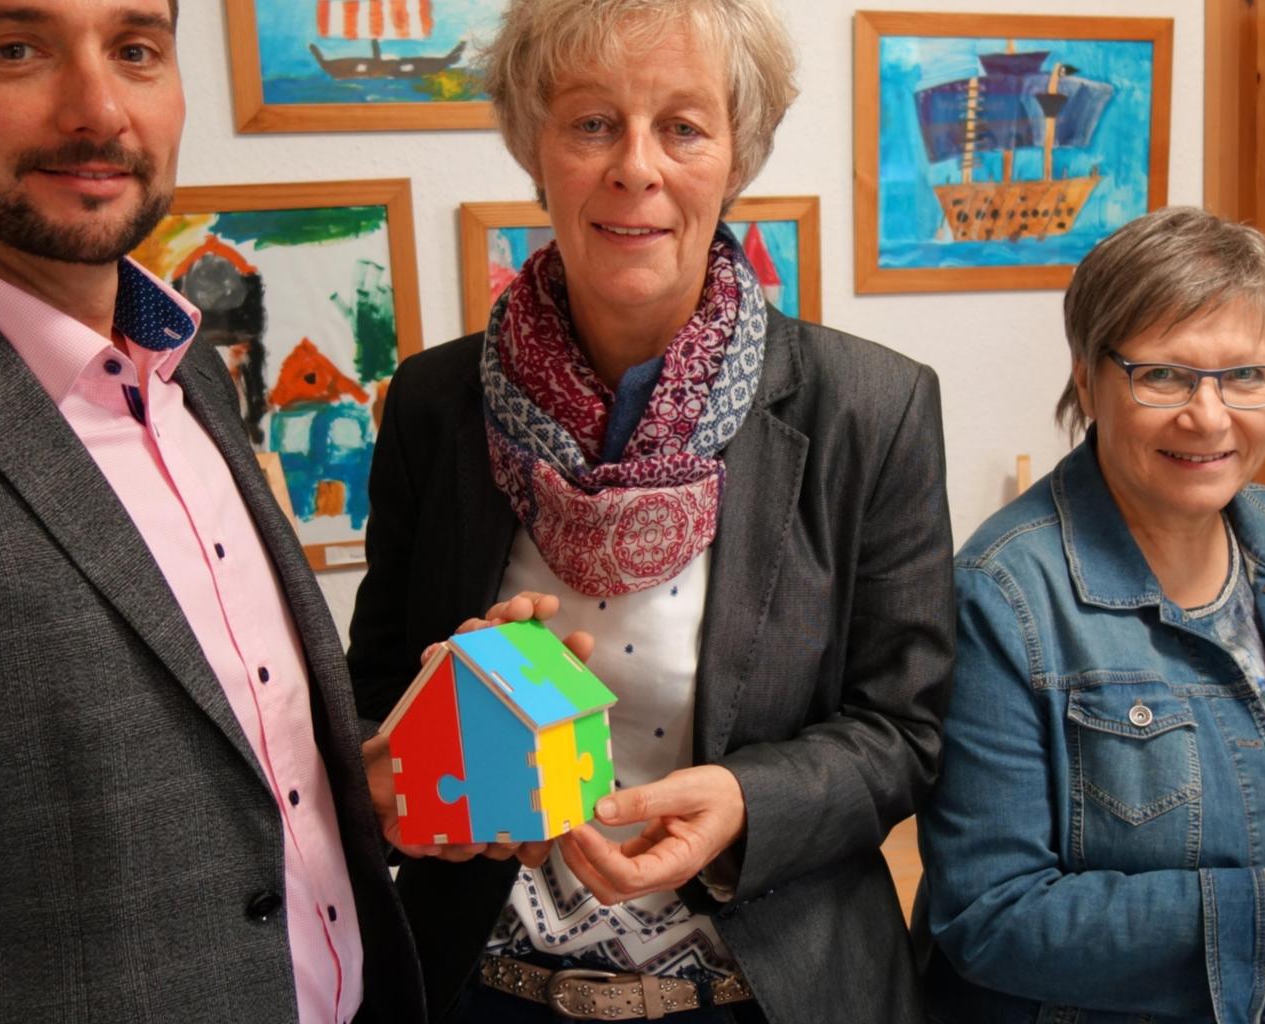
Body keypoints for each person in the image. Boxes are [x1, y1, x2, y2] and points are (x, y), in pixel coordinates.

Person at [343, 0, 956, 1021]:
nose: (636, 166)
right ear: (534, 148)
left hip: (759, 992)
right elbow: (373, 699)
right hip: (483, 986)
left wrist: (747, 801)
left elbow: (905, 729)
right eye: (591, 123)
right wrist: (447, 718)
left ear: (735, 155)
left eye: (682, 125)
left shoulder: (872, 406)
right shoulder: (433, 403)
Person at [0, 1, 422, 1021]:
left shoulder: (187, 359)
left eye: (136, 50)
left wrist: (356, 777)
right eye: (15, 48)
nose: (100, 108)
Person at [919, 207, 1265, 1024]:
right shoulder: (1003, 597)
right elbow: (989, 919)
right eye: (1164, 376)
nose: (1210, 417)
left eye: (1246, 376)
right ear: (1087, 378)